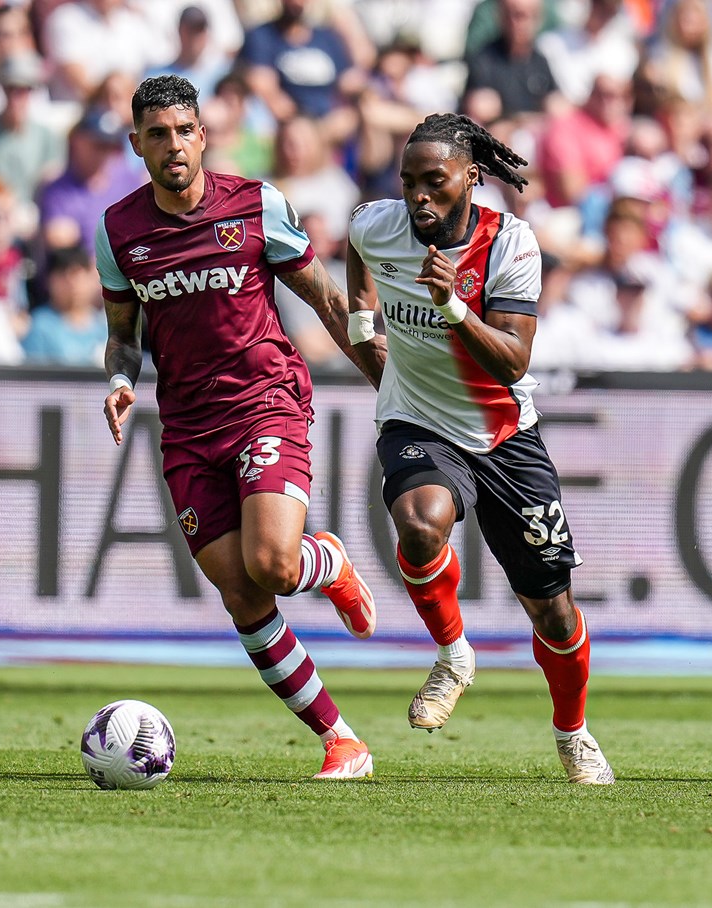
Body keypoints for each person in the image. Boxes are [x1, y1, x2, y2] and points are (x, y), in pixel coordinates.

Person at [95, 75, 379, 781]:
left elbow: (325, 300)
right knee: (242, 592)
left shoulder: (255, 206)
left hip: (264, 401)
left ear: (203, 135)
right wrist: (122, 380)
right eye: (156, 134)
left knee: (277, 566)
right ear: (137, 144)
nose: (172, 146)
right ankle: (341, 739)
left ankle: (327, 563)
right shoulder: (118, 232)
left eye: (183, 131)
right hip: (188, 427)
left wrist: (388, 380)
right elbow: (123, 334)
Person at [345, 112, 615, 785]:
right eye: (408, 183)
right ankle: (453, 654)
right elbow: (357, 251)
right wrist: (360, 326)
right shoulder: (378, 226)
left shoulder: (511, 245)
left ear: (471, 178)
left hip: (504, 438)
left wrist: (454, 309)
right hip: (418, 422)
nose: (418, 198)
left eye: (433, 182)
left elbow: (514, 363)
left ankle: (572, 733)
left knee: (553, 612)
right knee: (420, 523)